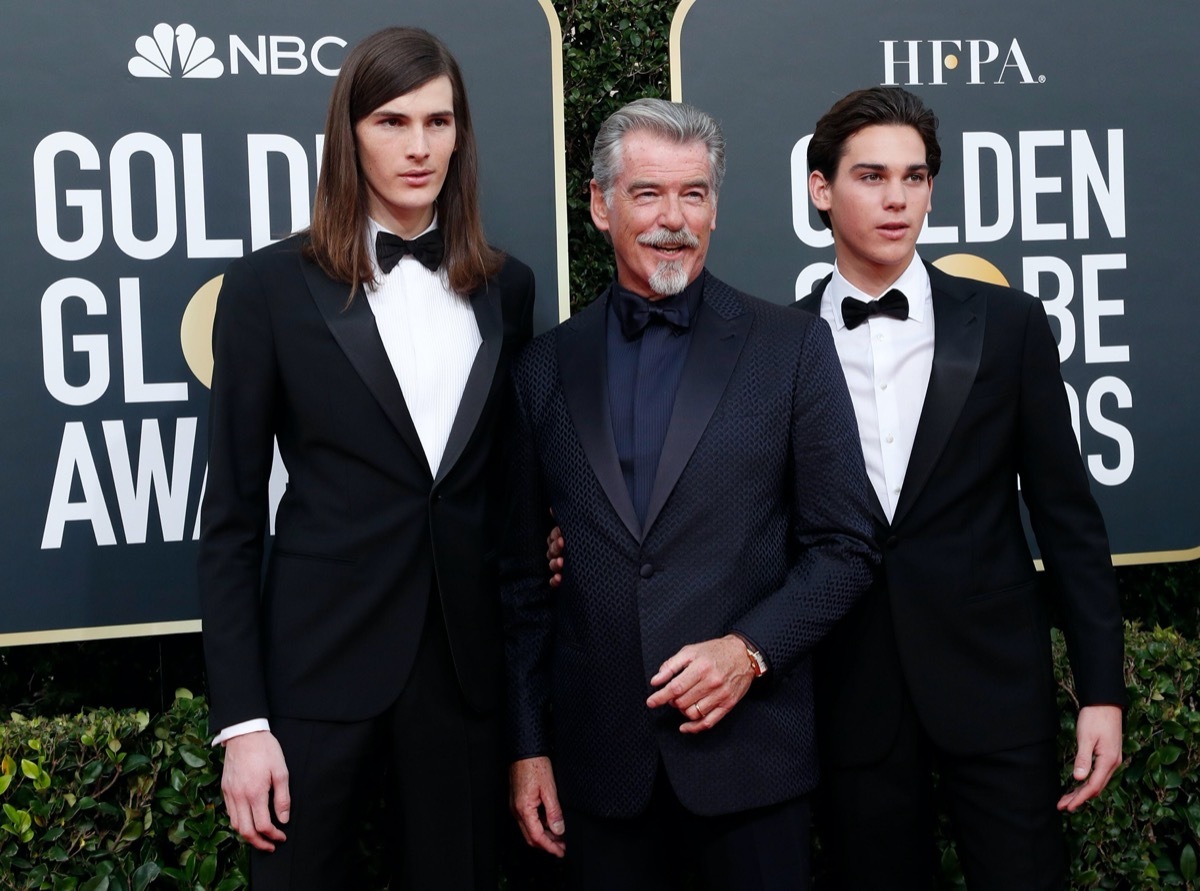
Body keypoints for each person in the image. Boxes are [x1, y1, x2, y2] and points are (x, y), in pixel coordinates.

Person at [499, 98, 878, 891]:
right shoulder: (542, 368)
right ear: (601, 205)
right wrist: (529, 746)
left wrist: (749, 650)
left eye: (693, 194)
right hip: (600, 774)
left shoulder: (791, 347)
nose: (673, 219)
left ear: (714, 207)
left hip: (751, 764)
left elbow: (845, 547)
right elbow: (523, 584)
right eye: (648, 194)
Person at [198, 26, 534, 890]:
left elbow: (509, 508)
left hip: (461, 677)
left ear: (460, 135)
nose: (419, 146)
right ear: (349, 135)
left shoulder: (509, 287)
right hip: (315, 670)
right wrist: (243, 723)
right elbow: (230, 520)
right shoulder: (268, 287)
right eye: (392, 121)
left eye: (438, 121)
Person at [796, 86, 1124, 889]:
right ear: (820, 188)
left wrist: (1102, 693)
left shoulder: (1009, 324)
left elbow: (1068, 519)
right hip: (853, 690)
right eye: (872, 176)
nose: (898, 198)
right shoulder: (778, 342)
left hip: (994, 683)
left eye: (914, 177)